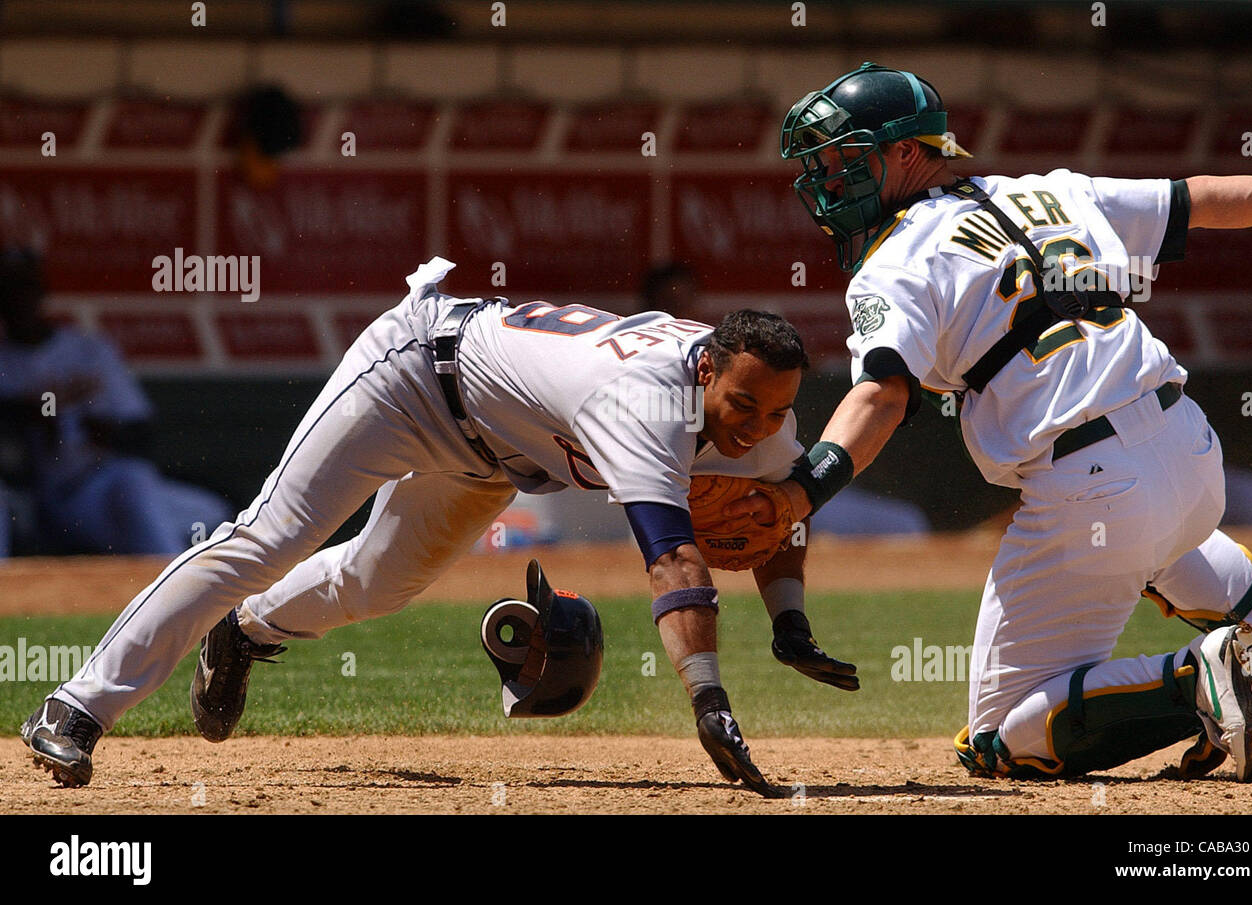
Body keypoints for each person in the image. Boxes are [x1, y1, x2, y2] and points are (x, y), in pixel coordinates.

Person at [20, 255, 855, 793]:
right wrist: (710, 700)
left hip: (498, 451)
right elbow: (674, 563)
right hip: (417, 376)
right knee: (268, 536)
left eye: (775, 407)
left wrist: (790, 619)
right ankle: (76, 706)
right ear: (707, 363)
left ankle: (244, 631)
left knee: (376, 583)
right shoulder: (644, 404)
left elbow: (776, 513)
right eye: (742, 402)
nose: (755, 423)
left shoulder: (764, 409)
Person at [741, 61, 1252, 781]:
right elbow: (1205, 199)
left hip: (1089, 482)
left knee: (999, 739)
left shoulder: (895, 261)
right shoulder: (1051, 190)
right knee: (1161, 543)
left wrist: (805, 488)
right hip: (1189, 449)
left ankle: (1197, 679)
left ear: (907, 153)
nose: (825, 180)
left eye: (844, 158)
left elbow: (881, 397)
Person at [0, 247, 230, 556]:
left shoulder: (87, 350)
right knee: (135, 495)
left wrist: (108, 433)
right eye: (9, 291)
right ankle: (175, 588)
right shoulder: (5, 362)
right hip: (62, 497)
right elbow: (18, 420)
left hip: (111, 481)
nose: (19, 301)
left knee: (213, 512)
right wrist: (43, 408)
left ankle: (168, 572)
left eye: (25, 288)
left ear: (40, 292)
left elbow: (141, 431)